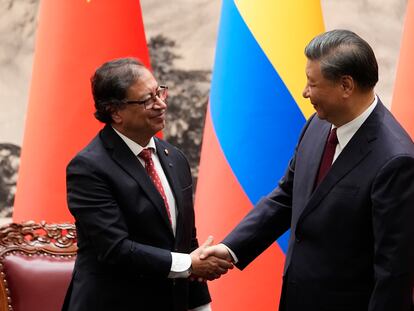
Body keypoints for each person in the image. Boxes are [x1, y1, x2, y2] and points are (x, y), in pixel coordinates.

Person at [201, 29, 414, 311]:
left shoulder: (395, 160)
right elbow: (287, 195)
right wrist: (231, 249)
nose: (304, 92)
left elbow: (394, 273)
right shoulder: (318, 124)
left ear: (346, 86)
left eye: (312, 84)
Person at [62, 57, 232, 311]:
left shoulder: (174, 157)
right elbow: (115, 249)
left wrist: (200, 305)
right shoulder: (88, 169)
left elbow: (186, 241)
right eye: (147, 100)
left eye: (159, 92)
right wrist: (188, 265)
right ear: (115, 112)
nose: (161, 104)